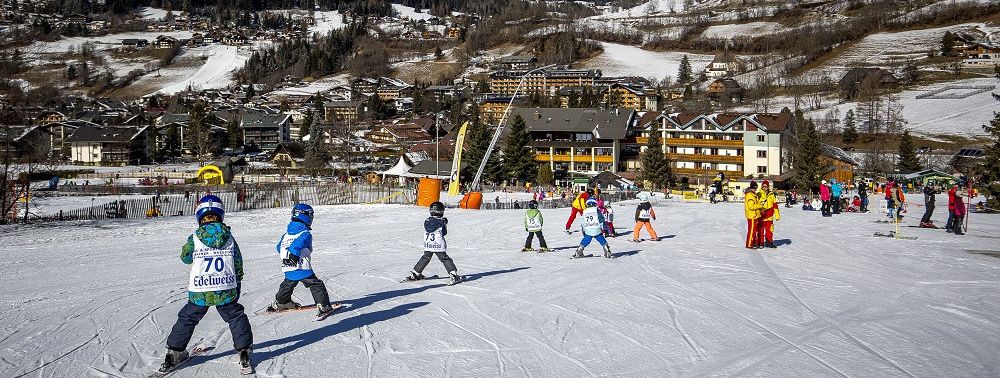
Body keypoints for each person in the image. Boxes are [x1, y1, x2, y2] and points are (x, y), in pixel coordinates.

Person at [160, 195, 252, 374]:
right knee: (235, 316)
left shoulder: (194, 237)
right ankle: (244, 352)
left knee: (188, 317)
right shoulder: (229, 237)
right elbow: (238, 262)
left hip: (200, 289)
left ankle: (174, 352)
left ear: (199, 216)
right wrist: (237, 279)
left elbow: (185, 258)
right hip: (225, 287)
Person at [268, 203, 337, 318]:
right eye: (311, 215)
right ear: (305, 216)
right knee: (316, 284)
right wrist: (294, 256)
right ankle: (323, 305)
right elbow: (296, 245)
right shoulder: (305, 234)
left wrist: (287, 258)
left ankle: (281, 302)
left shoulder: (286, 235)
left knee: (287, 284)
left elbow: (279, 247)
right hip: (301, 266)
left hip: (288, 265)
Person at [406, 202, 462, 284]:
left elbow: (433, 223)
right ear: (441, 212)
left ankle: (416, 273)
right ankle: (453, 274)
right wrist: (444, 223)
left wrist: (442, 221)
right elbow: (444, 233)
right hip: (438, 245)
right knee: (445, 259)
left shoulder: (427, 221)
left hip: (428, 244)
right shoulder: (441, 222)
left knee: (425, 258)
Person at [758, 180, 779, 248]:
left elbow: (775, 205)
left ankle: (769, 242)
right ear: (762, 186)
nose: (765, 188)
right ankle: (760, 243)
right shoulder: (758, 194)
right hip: (762, 216)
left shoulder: (772, 195)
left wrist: (777, 215)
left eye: (766, 186)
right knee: (760, 230)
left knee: (770, 230)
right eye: (763, 186)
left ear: (768, 187)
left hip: (769, 216)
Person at [744, 181, 762, 249]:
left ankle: (753, 242)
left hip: (754, 215)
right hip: (752, 216)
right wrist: (760, 205)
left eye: (756, 188)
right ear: (752, 188)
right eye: (754, 188)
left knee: (754, 230)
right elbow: (751, 206)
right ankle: (749, 244)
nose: (755, 189)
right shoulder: (749, 195)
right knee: (751, 230)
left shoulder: (753, 194)